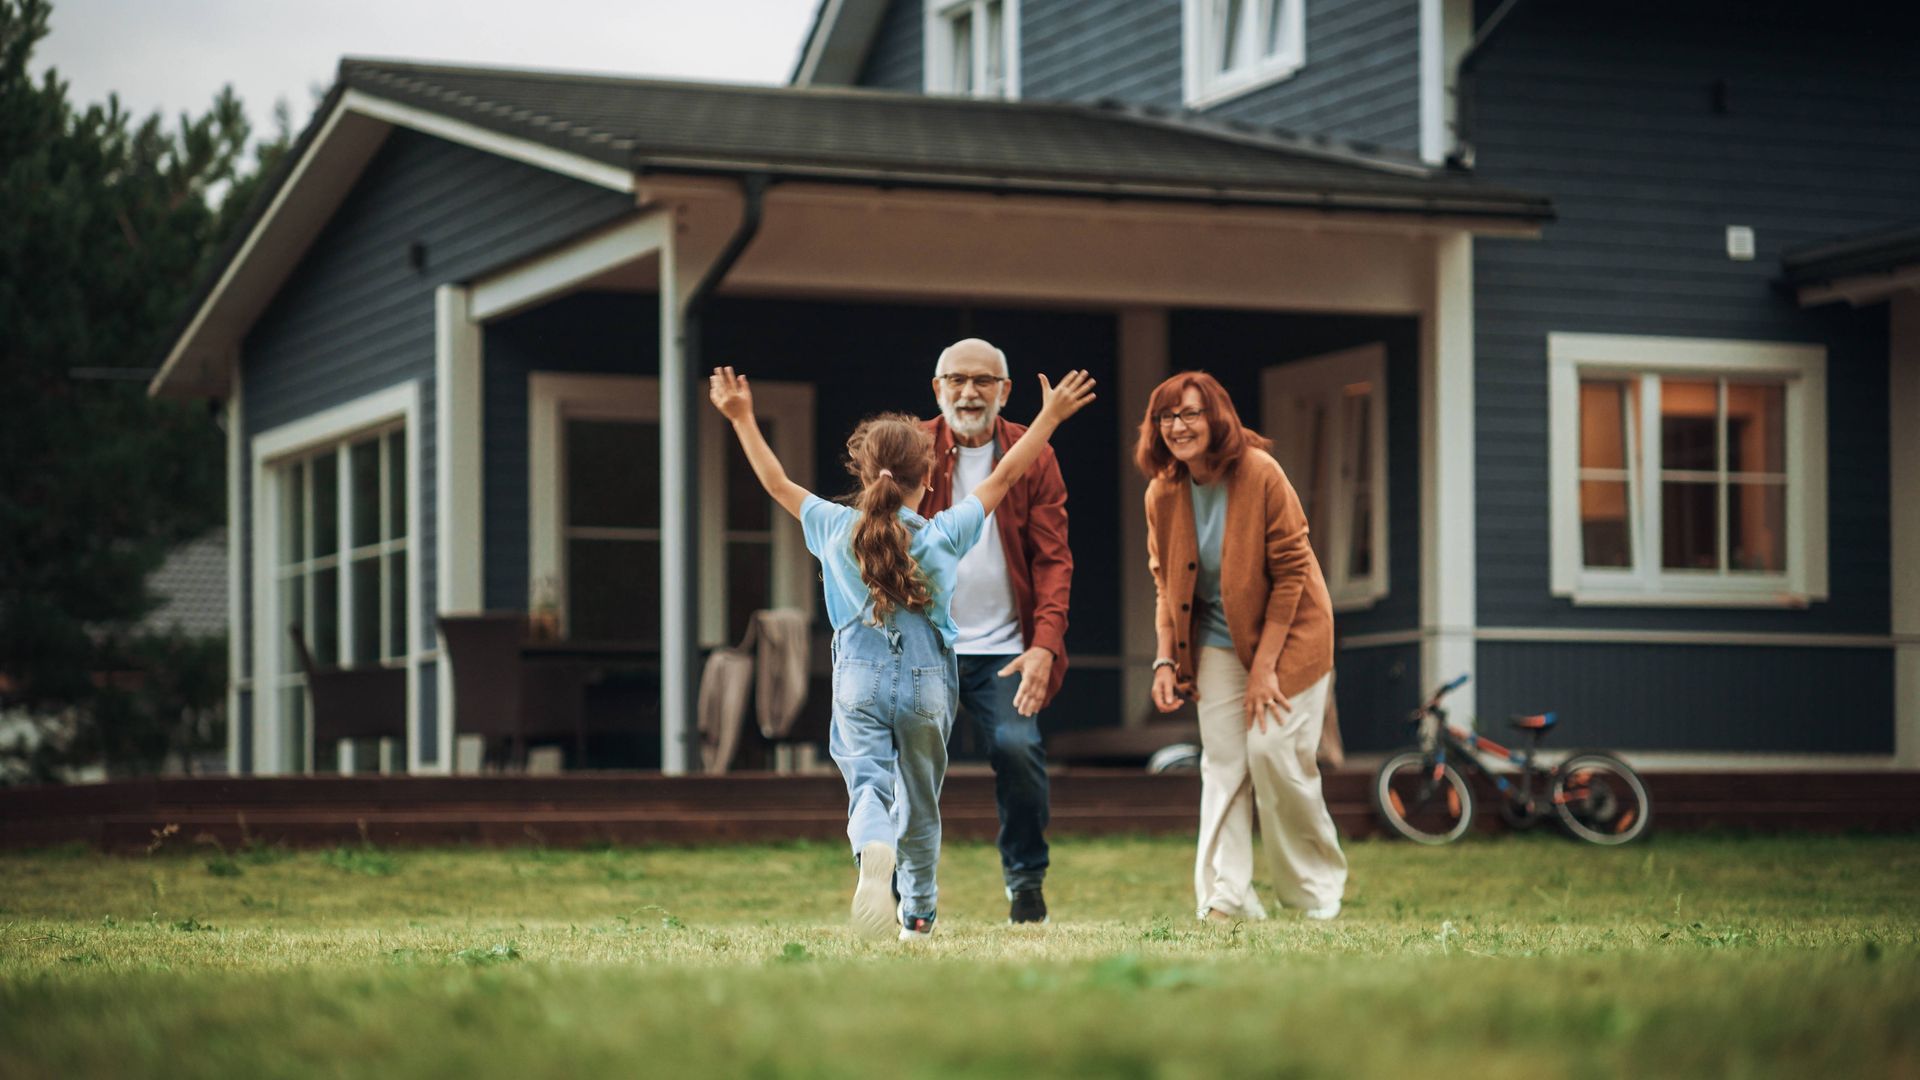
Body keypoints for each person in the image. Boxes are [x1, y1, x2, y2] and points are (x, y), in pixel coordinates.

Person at [709, 365, 1096, 941]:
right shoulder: (943, 534)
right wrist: (1051, 417)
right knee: (920, 800)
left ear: (863, 471)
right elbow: (1010, 471)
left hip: (858, 681)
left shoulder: (833, 526)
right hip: (926, 685)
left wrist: (741, 417)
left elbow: (775, 481)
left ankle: (872, 846)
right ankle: (917, 916)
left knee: (868, 783)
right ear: (931, 474)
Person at [1137, 371, 1347, 923]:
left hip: (1295, 633)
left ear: (1217, 417)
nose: (1178, 426)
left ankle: (1314, 891)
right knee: (1225, 762)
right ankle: (1228, 894)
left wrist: (1266, 669)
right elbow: (1166, 582)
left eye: (1190, 414)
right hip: (1216, 641)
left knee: (1275, 753)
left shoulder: (1259, 473)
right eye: (1167, 417)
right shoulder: (1162, 492)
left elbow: (1293, 571)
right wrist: (1165, 657)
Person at [915, 338, 1072, 925]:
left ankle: (1025, 880)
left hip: (1007, 648)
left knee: (1018, 748)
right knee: (912, 763)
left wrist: (1043, 646)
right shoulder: (913, 446)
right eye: (956, 379)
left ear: (1005, 391)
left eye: (983, 381)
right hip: (927, 646)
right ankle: (907, 890)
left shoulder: (1034, 454)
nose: (969, 392)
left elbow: (1054, 559)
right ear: (938, 389)